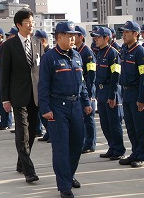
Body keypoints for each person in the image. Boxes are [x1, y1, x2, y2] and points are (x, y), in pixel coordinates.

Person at [38, 21, 92, 198]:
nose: (73, 38)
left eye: (74, 35)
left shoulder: (77, 56)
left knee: (77, 144)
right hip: (57, 107)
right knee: (61, 148)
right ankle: (64, 186)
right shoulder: (49, 58)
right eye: (69, 35)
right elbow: (43, 85)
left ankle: (69, 175)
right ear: (59, 37)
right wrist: (45, 108)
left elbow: (82, 82)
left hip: (75, 105)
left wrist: (86, 102)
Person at [1, 8, 44, 183]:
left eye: (32, 22)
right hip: (18, 96)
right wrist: (5, 98)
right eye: (28, 22)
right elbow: (4, 73)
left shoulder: (37, 42)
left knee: (32, 132)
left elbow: (40, 70)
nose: (31, 25)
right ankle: (29, 171)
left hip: (35, 96)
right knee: (22, 134)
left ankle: (21, 163)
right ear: (19, 25)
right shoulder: (9, 46)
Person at [118, 21, 144, 168]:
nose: (124, 35)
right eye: (123, 32)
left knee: (139, 127)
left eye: (127, 32)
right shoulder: (125, 50)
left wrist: (142, 98)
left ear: (135, 34)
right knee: (130, 126)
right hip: (126, 92)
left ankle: (142, 155)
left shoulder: (140, 52)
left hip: (137, 92)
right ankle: (135, 152)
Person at [92, 27, 125, 159]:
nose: (95, 40)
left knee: (114, 122)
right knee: (105, 123)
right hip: (101, 91)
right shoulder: (99, 53)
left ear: (107, 38)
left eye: (98, 37)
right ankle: (112, 146)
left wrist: (112, 95)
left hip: (110, 90)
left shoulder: (113, 53)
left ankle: (119, 149)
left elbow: (115, 76)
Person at [75, 25, 97, 154]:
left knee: (88, 118)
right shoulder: (76, 51)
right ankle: (84, 142)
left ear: (81, 37)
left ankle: (90, 143)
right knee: (82, 119)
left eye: (75, 35)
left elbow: (91, 74)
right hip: (80, 90)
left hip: (87, 90)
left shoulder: (87, 52)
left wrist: (89, 93)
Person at [34, 29, 51, 142]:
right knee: (41, 112)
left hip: (48, 88)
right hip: (40, 86)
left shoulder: (49, 54)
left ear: (43, 40)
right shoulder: (39, 53)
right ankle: (48, 132)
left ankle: (52, 133)